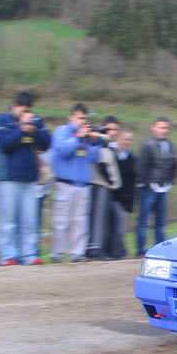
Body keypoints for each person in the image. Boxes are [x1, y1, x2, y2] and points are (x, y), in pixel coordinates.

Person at [0, 91, 51, 266]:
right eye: (22, 109)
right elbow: (3, 145)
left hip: (30, 177)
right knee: (8, 220)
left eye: (28, 109)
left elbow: (47, 143)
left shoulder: (36, 121)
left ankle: (30, 255)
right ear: (15, 106)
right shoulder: (3, 120)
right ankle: (8, 256)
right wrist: (21, 129)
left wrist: (35, 130)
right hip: (8, 178)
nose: (25, 113)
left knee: (30, 220)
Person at [50, 104, 102, 263]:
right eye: (79, 117)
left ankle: (77, 253)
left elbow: (94, 158)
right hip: (65, 183)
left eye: (84, 118)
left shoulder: (86, 136)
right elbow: (62, 151)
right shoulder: (62, 131)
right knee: (61, 220)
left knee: (80, 221)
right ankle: (57, 254)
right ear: (71, 117)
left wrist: (94, 143)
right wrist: (78, 137)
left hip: (83, 184)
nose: (82, 121)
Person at [137, 117, 177, 256]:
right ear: (153, 128)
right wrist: (148, 183)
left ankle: (160, 248)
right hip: (149, 189)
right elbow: (142, 167)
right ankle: (140, 249)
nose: (163, 130)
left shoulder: (171, 146)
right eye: (160, 127)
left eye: (165, 127)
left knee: (161, 222)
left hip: (164, 188)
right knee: (144, 221)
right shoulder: (147, 145)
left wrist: (171, 181)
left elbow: (175, 165)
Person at [87, 118, 122, 260]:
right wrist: (112, 183)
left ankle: (99, 248)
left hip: (101, 185)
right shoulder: (101, 148)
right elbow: (105, 168)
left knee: (100, 218)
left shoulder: (106, 147)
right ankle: (96, 248)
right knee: (98, 218)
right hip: (101, 185)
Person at [109, 131, 137, 259]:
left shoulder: (131, 157)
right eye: (125, 139)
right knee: (115, 226)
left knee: (120, 227)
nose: (127, 142)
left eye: (129, 140)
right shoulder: (112, 154)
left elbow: (132, 180)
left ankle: (119, 252)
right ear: (118, 139)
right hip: (113, 195)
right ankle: (117, 251)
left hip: (125, 198)